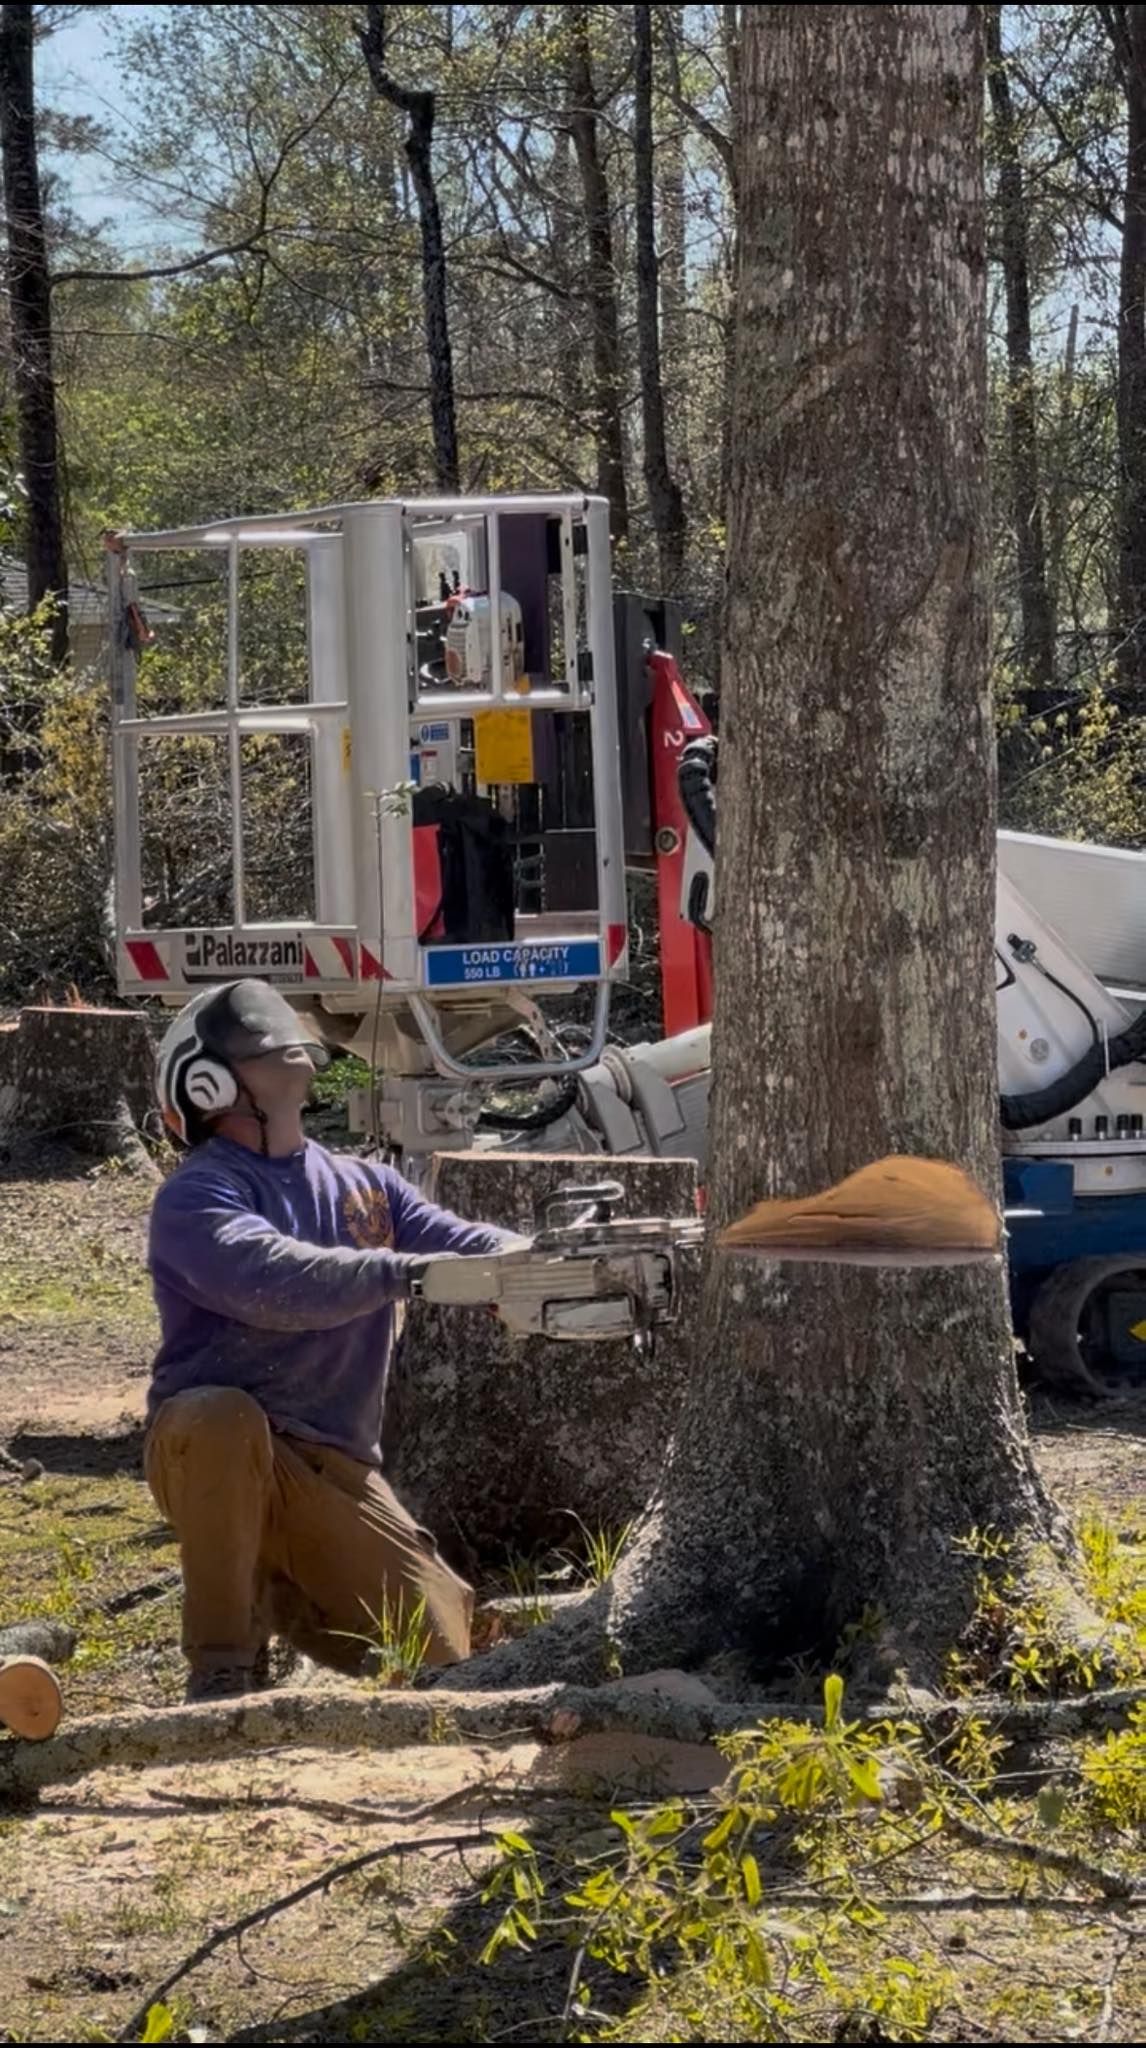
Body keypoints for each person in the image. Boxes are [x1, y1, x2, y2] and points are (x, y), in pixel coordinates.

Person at [148, 978, 518, 1702]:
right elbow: (276, 1280)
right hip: (210, 1450)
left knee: (443, 1660)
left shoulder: (366, 1186)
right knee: (223, 1418)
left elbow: (463, 1242)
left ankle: (279, 1589)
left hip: (336, 1471)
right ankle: (222, 1670)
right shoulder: (196, 1195)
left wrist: (532, 1262)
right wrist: (407, 1274)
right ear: (207, 1083)